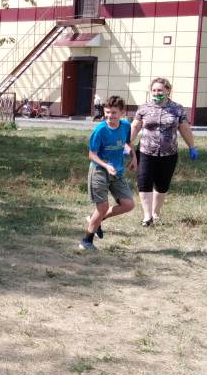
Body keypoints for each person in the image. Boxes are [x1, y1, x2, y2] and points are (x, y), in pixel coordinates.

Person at [129, 76, 198, 226]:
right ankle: (147, 216)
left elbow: (185, 128)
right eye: (154, 90)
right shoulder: (144, 108)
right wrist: (127, 143)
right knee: (144, 182)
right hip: (146, 151)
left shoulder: (177, 109)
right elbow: (135, 126)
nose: (156, 93)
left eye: (159, 90)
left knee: (162, 185)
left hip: (169, 153)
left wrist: (191, 146)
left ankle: (155, 213)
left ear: (168, 90)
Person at [80, 94, 135, 252]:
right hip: (99, 171)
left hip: (117, 171)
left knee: (128, 204)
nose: (110, 116)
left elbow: (128, 143)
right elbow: (92, 155)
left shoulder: (126, 125)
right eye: (107, 112)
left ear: (122, 113)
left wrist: (134, 157)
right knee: (102, 206)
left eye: (114, 112)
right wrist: (106, 166)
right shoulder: (100, 130)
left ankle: (97, 219)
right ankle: (86, 241)